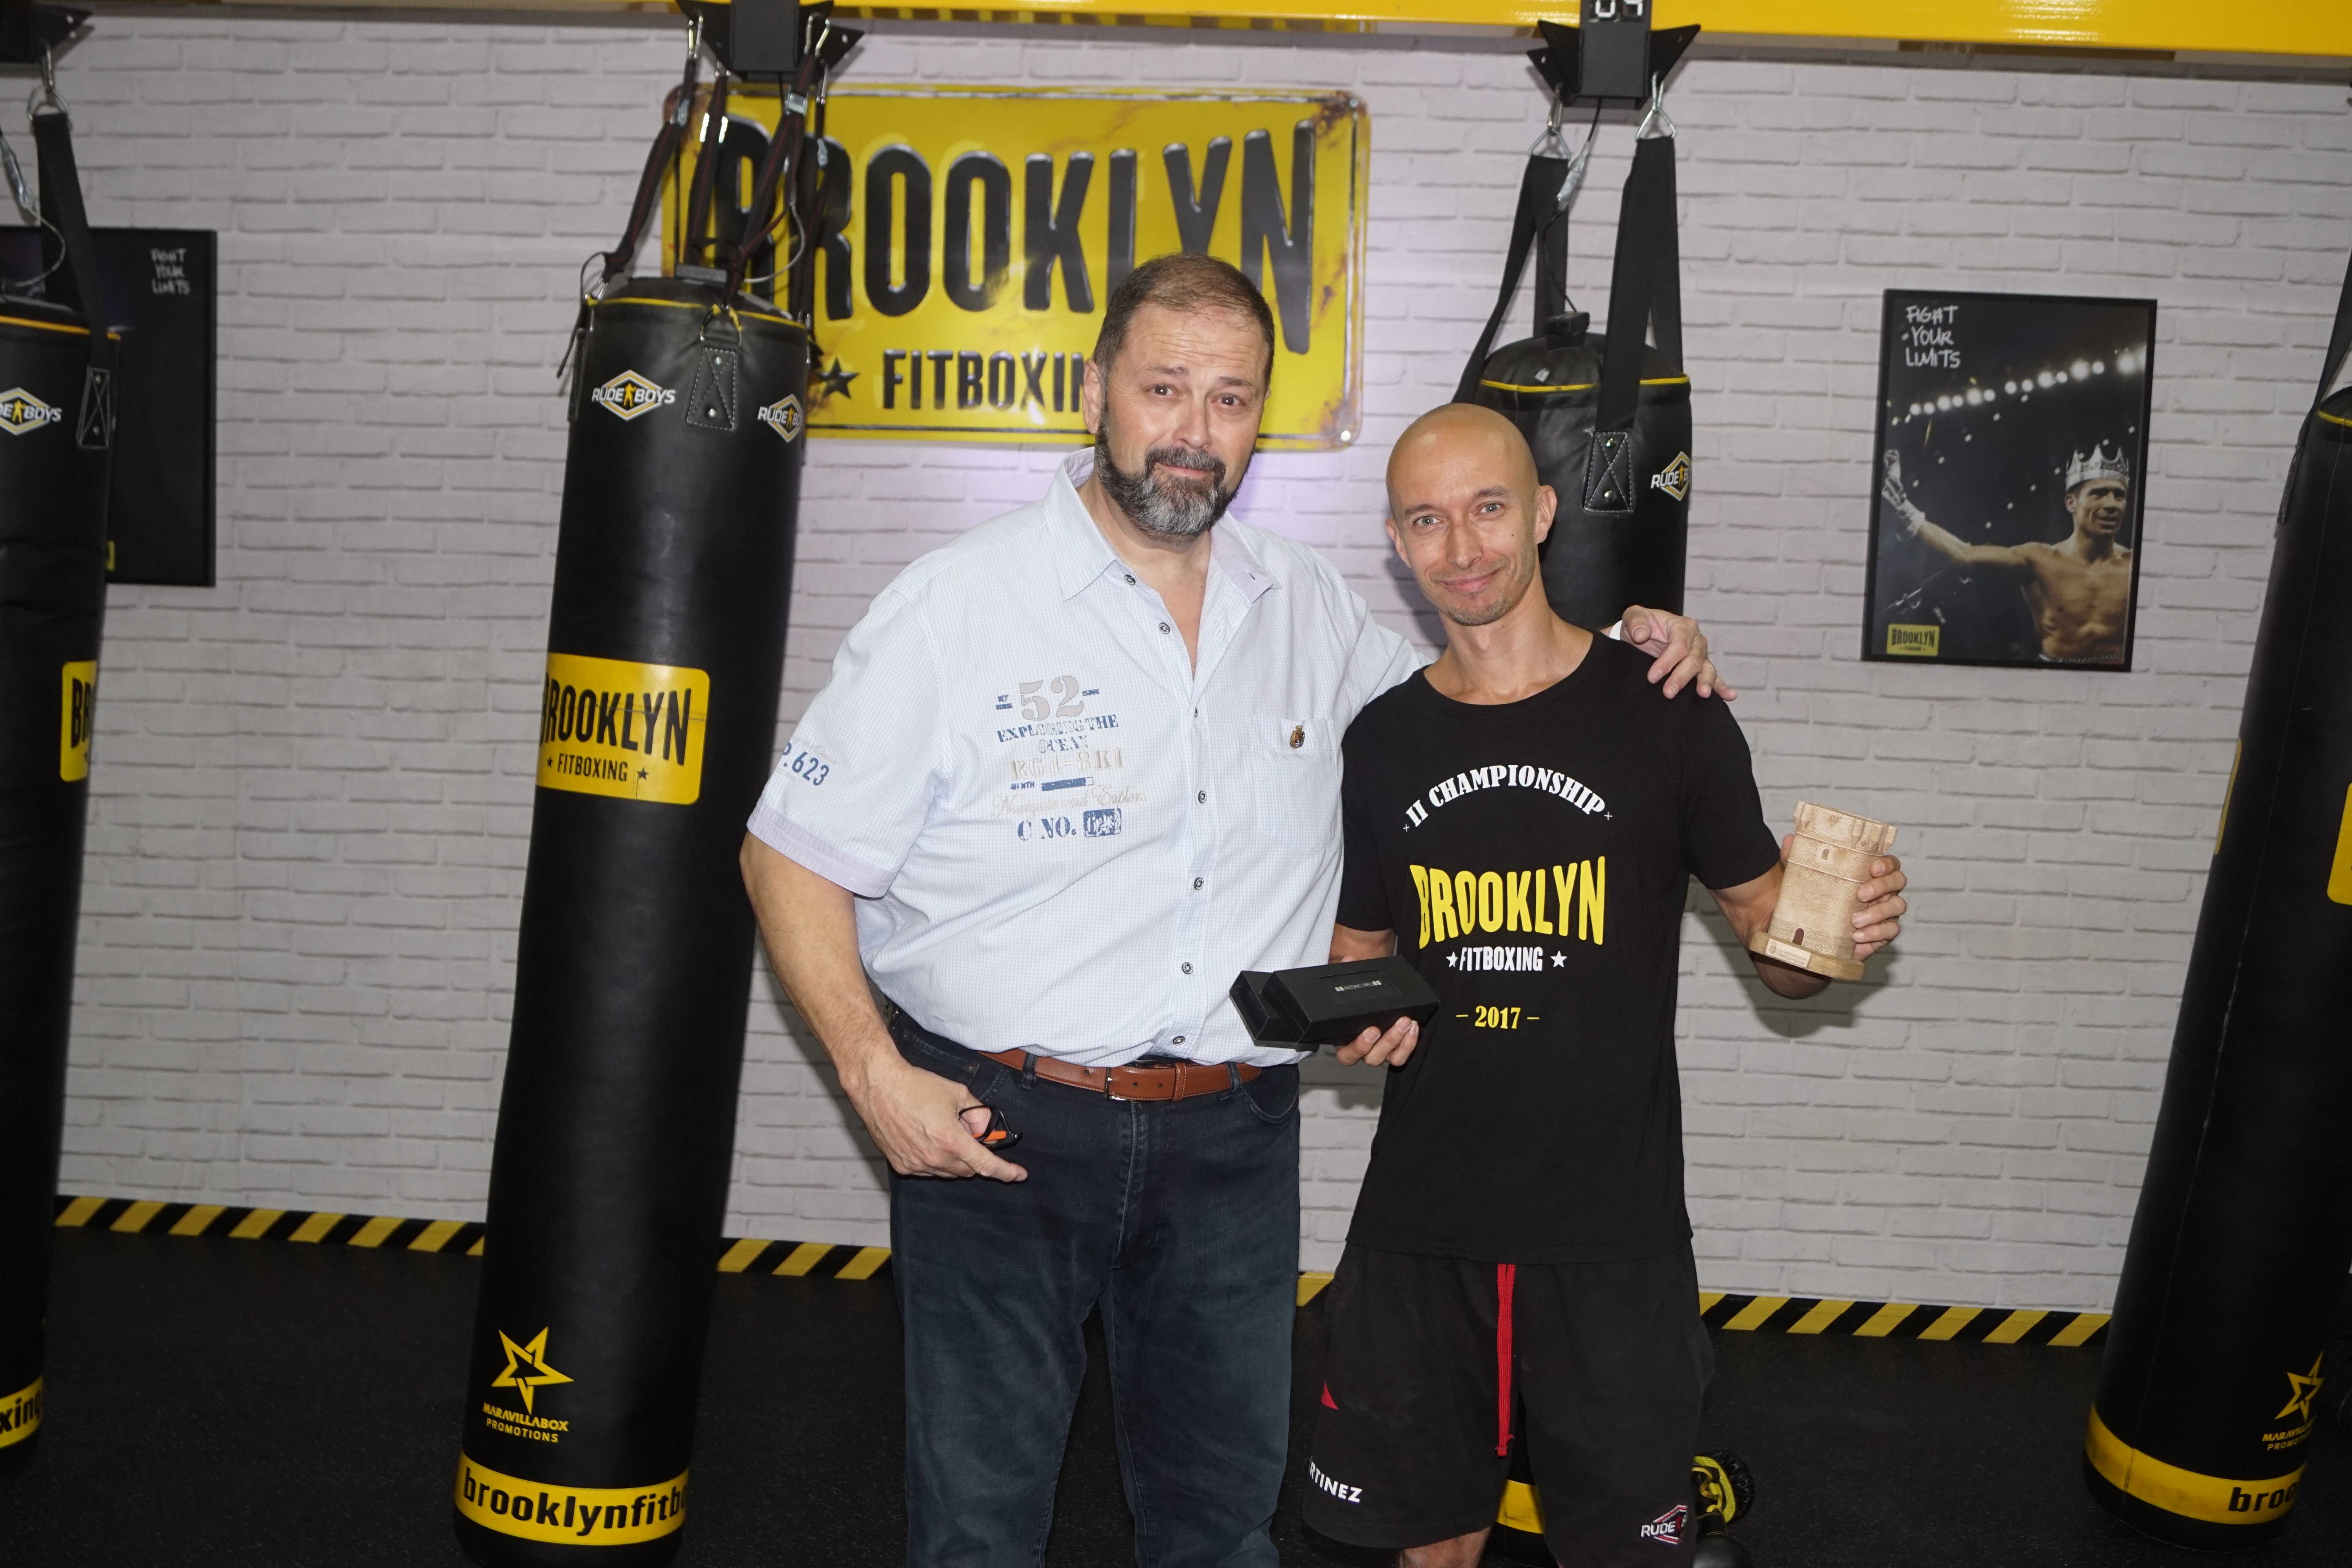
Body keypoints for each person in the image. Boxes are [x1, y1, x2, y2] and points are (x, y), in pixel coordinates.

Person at [738, 253, 1728, 1568]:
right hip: (1000, 1132)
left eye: (1231, 398)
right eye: (1164, 389)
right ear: (1096, 391)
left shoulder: (1307, 605)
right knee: (980, 1526)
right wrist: (873, 1075)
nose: (1194, 430)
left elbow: (1487, 713)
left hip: (1233, 1140)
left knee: (1218, 1525)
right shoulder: (956, 607)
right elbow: (788, 853)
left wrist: (1634, 653)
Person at [1301, 405, 1906, 1568]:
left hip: (1611, 1232)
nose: (1461, 547)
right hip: (1424, 1219)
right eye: (1427, 520)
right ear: (1395, 540)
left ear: (1541, 511)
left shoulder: (1664, 708)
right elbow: (1360, 952)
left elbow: (1773, 949)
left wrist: (1838, 930)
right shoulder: (1380, 741)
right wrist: (1347, 1015)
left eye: (1487, 508)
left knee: (1625, 1551)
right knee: (1427, 1546)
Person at [1880, 443, 2135, 664]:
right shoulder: (2040, 559)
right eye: (2098, 494)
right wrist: (1906, 510)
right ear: (2072, 503)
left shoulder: (2134, 566)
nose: (2111, 504)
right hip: (2052, 677)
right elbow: (1964, 554)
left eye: (2119, 496)